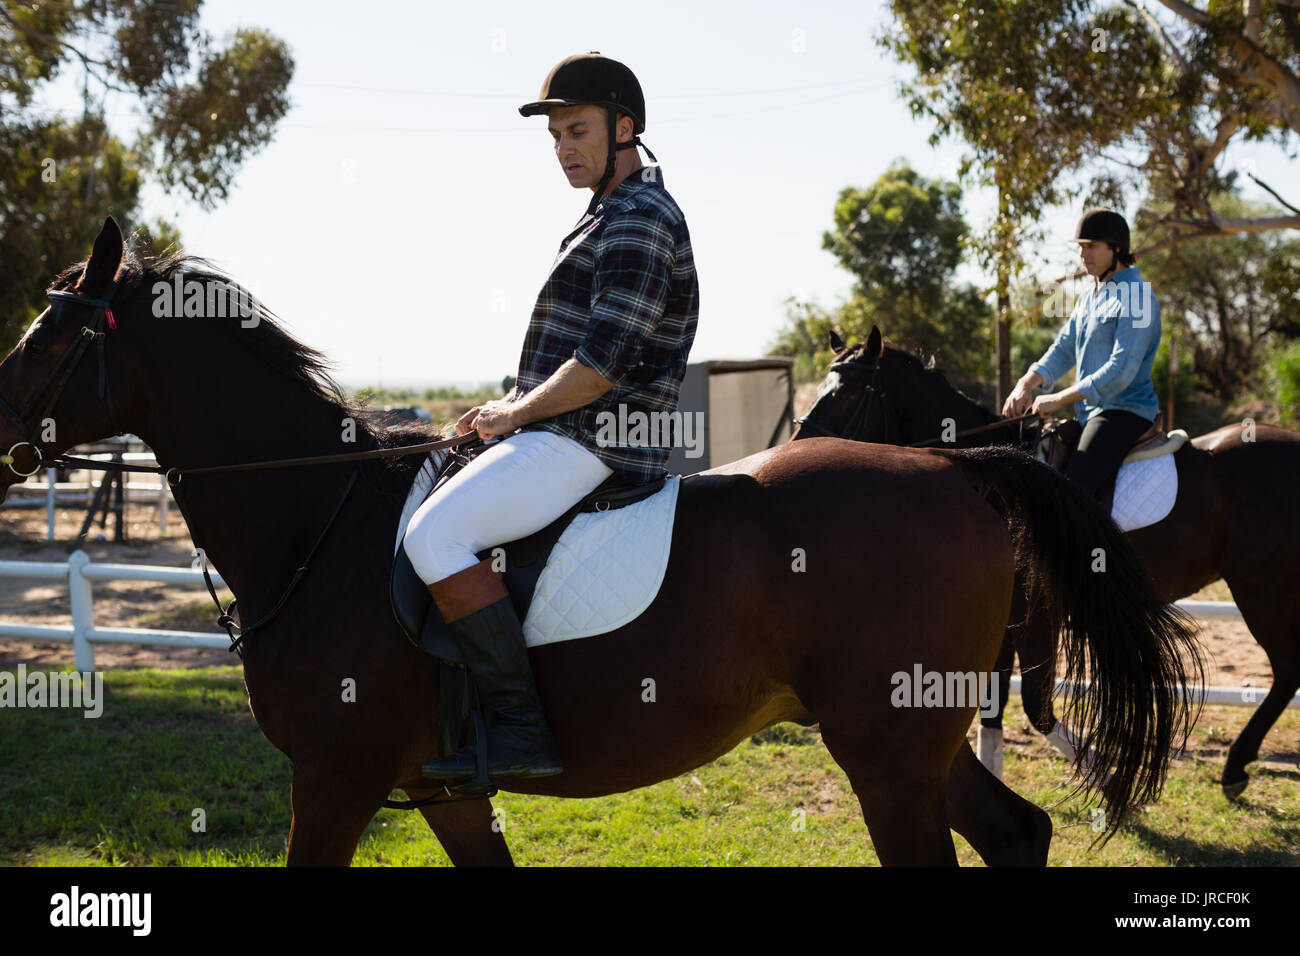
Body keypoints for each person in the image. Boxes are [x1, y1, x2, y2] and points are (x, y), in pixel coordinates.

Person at [405, 52, 700, 787]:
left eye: (578, 131)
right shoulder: (605, 216)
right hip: (563, 428)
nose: (564, 150)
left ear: (625, 128)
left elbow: (599, 368)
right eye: (556, 138)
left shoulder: (640, 218)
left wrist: (516, 414)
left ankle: (518, 730)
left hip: (597, 438)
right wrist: (503, 409)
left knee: (435, 534)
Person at [1002, 207, 1162, 496]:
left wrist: (1060, 398)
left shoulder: (1138, 296)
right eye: (1081, 248)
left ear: (1116, 248)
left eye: (1092, 247)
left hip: (1123, 412)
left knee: (1071, 496)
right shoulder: (1091, 296)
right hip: (1089, 412)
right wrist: (1027, 383)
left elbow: (1121, 370)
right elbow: (1064, 348)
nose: (1083, 255)